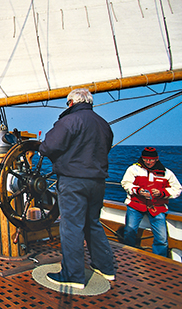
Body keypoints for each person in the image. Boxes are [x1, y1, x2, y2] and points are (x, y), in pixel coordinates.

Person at [39, 88, 115, 290]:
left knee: (71, 226)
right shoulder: (103, 124)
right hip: (97, 182)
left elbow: (47, 147)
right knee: (93, 223)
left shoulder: (69, 121)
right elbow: (104, 149)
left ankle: (72, 275)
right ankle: (105, 267)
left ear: (71, 103)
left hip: (73, 181)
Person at [121, 147, 182, 257]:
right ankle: (127, 255)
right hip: (136, 206)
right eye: (145, 159)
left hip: (157, 207)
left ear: (157, 159)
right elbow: (126, 183)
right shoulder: (133, 169)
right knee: (129, 232)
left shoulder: (166, 173)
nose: (148, 162)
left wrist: (162, 193)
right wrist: (138, 190)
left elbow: (177, 189)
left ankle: (160, 258)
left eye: (151, 160)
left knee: (162, 238)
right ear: (142, 158)